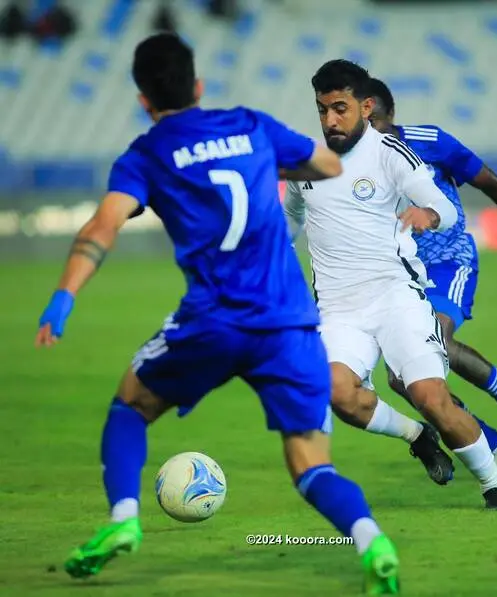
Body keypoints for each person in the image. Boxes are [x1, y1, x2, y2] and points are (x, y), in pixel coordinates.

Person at [35, 34, 400, 595]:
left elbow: (102, 226)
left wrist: (65, 296)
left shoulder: (146, 154)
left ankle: (123, 519)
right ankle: (370, 539)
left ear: (142, 99)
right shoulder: (250, 126)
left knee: (130, 406)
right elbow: (325, 163)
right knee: (312, 466)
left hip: (213, 321)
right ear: (198, 86)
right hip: (288, 325)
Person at [283, 59, 497, 511]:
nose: (330, 120)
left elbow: (445, 209)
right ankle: (416, 436)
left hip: (397, 298)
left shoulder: (391, 154)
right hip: (338, 310)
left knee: (431, 397)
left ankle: (496, 486)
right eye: (322, 110)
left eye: (339, 109)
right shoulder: (306, 163)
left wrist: (426, 214)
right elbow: (290, 218)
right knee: (336, 394)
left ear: (365, 106)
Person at [368, 77, 497, 463]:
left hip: (448, 260)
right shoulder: (350, 164)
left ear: (389, 115)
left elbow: (491, 183)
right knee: (399, 377)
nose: (371, 133)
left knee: (435, 337)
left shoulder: (430, 141)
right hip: (399, 276)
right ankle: (495, 444)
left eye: (376, 122)